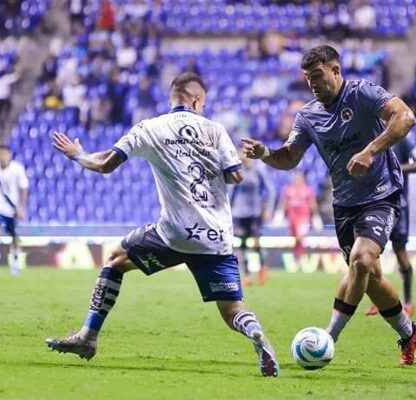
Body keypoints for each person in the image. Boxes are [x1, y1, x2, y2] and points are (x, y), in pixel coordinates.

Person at [47, 72, 279, 377]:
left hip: (174, 233)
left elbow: (104, 165)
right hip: (216, 237)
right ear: (197, 99)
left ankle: (88, 337)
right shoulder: (215, 130)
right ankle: (256, 334)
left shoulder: (150, 128)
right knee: (233, 310)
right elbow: (236, 176)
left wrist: (78, 155)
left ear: (173, 97)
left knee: (116, 259)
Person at [241, 45, 416, 366]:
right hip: (345, 204)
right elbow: (290, 157)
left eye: (317, 76)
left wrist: (371, 150)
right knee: (369, 276)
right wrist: (266, 154)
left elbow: (405, 117)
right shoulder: (308, 115)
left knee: (362, 259)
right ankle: (409, 334)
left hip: (381, 194)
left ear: (336, 70)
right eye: (307, 79)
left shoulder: (362, 93)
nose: (312, 84)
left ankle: (327, 338)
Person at [366, 136, 416, 318]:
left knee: (400, 253)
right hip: (375, 204)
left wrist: (394, 168)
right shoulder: (369, 136)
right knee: (372, 254)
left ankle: (408, 302)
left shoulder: (402, 140)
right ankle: (379, 300)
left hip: (399, 205)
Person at [0, 145, 29, 274]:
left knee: (14, 237)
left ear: (9, 155)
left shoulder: (17, 169)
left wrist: (21, 207)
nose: (1, 157)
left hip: (12, 209)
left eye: (4, 154)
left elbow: (24, 188)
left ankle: (15, 264)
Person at [230, 157, 275, 286]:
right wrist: (229, 209)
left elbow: (270, 189)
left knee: (256, 244)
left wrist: (268, 209)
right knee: (241, 245)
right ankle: (247, 275)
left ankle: (262, 268)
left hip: (255, 213)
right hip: (239, 213)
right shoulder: (237, 170)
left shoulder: (259, 169)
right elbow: (231, 191)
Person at [275, 171, 322, 262]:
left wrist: (316, 217)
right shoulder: (289, 189)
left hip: (303, 218)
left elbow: (312, 203)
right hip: (292, 218)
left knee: (300, 236)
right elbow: (284, 202)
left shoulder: (307, 190)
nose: (297, 180)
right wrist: (279, 214)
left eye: (299, 178)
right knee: (294, 237)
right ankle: (297, 255)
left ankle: (300, 257)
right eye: (296, 178)